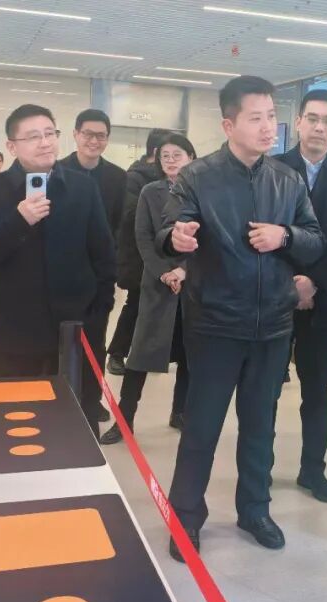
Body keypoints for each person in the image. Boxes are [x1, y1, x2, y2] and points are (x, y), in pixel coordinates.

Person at [159, 75, 323, 562]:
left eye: (272, 116)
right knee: (201, 428)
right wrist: (177, 237)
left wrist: (285, 236)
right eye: (256, 118)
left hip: (272, 325)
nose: (268, 126)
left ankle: (255, 510)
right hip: (215, 324)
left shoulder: (288, 179)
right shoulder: (197, 176)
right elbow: (169, 229)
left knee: (260, 427)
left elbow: (314, 240)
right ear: (229, 125)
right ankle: (185, 518)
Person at [0, 104, 115, 430]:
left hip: (77, 329)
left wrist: (99, 311)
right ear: (12, 146)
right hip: (17, 331)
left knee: (78, 422)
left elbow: (103, 254)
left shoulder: (82, 187)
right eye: (33, 136)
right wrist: (18, 221)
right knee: (18, 422)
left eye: (50, 133)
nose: (45, 142)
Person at [273, 89, 327, 503]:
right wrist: (292, 282)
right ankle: (257, 469)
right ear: (299, 122)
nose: (319, 127)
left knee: (317, 391)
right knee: (265, 390)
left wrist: (312, 283)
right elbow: (261, 231)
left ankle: (313, 470)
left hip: (323, 300)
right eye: (312, 118)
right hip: (275, 297)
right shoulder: (272, 169)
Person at [100, 133, 197, 445]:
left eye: (177, 154)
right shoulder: (150, 192)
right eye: (165, 155)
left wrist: (184, 270)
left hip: (194, 287)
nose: (170, 160)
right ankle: (124, 420)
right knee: (140, 355)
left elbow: (210, 239)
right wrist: (165, 272)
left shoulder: (203, 192)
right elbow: (142, 237)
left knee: (189, 355)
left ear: (191, 158)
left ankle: (180, 412)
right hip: (156, 285)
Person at [61, 108, 127, 423]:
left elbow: (119, 225)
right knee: (61, 341)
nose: (94, 140)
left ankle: (91, 399)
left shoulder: (117, 177)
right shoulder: (56, 171)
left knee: (95, 341)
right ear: (75, 134)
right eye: (88, 133)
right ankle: (63, 397)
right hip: (61, 272)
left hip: (98, 274)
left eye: (101, 135)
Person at [107, 127, 173, 376]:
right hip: (138, 255)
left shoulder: (174, 178)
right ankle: (117, 353)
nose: (172, 159)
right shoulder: (135, 178)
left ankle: (153, 354)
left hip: (168, 254)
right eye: (168, 153)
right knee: (135, 304)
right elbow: (130, 216)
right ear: (156, 152)